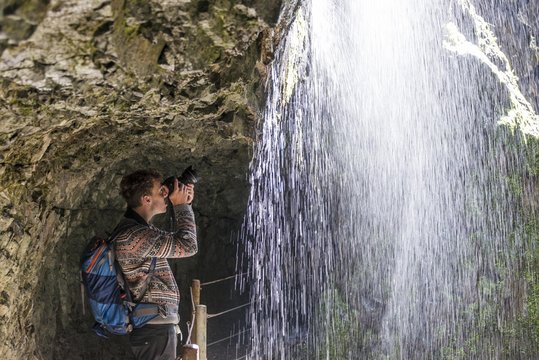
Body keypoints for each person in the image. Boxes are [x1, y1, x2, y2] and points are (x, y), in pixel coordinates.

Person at [114, 168, 197, 360]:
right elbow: (188, 245)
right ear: (146, 199)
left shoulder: (139, 231)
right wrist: (181, 206)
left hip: (155, 329)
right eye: (161, 191)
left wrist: (186, 205)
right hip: (153, 330)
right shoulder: (133, 236)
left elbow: (179, 240)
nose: (166, 194)